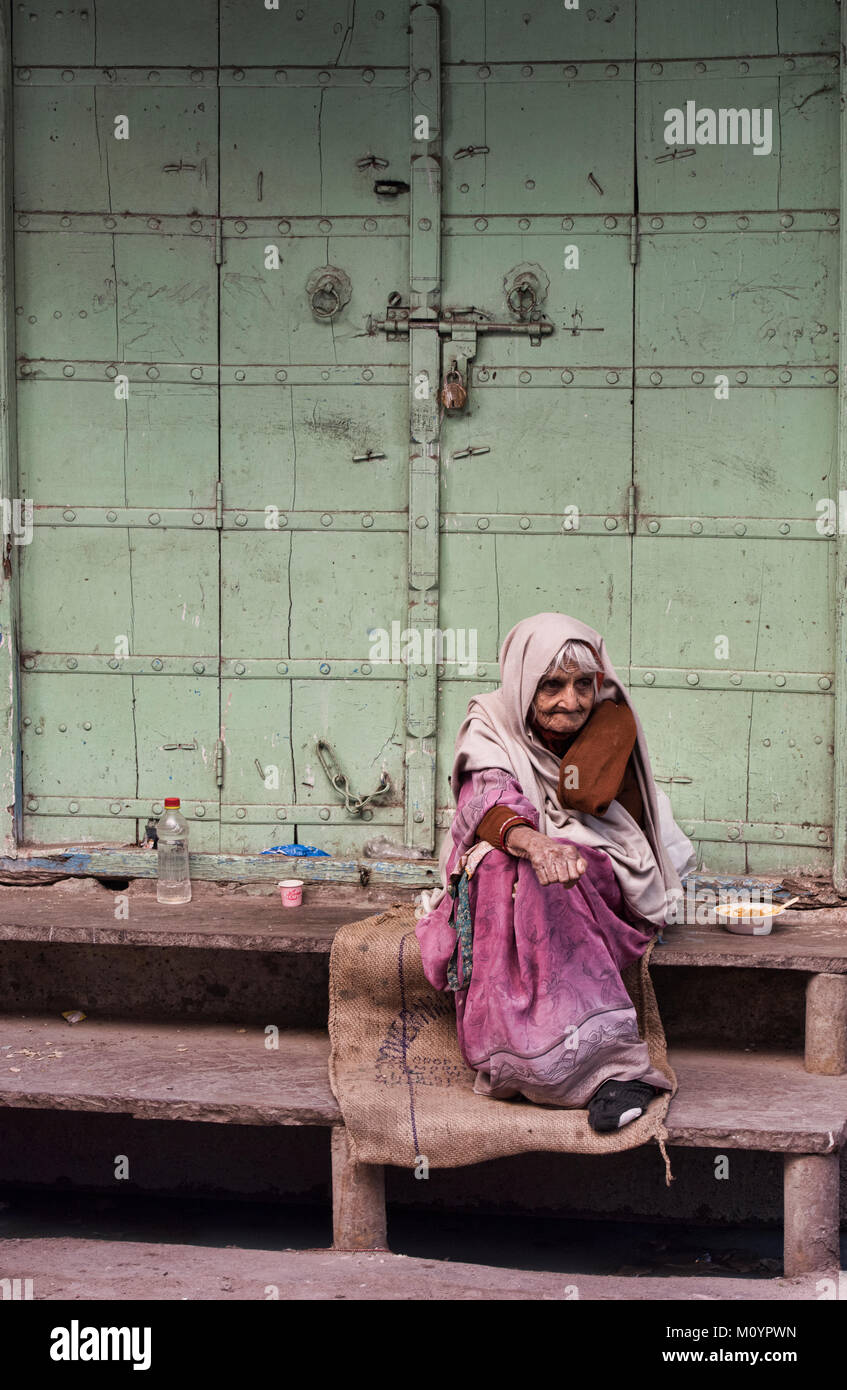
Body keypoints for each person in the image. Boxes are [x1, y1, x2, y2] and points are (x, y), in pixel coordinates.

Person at [415, 612, 694, 1133]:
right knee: (503, 864)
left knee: (548, 874)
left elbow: (601, 811)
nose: (571, 701)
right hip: (531, 857)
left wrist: (558, 841)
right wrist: (534, 841)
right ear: (524, 681)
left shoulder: (609, 722)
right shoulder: (492, 723)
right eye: (551, 685)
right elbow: (489, 800)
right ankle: (510, 1054)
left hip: (602, 868)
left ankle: (612, 1069)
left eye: (582, 684)